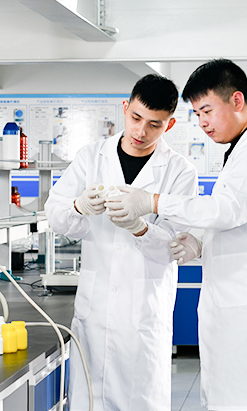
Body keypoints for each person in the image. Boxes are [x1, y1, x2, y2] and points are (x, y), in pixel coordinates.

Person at [106, 59, 247, 411]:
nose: (203, 123)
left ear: (237, 100)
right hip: (234, 309)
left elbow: (228, 209)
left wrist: (153, 201)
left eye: (207, 111)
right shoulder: (242, 150)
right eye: (197, 114)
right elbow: (237, 220)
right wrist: (200, 243)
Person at [44, 74, 198, 411]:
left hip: (142, 316)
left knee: (140, 401)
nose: (141, 131)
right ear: (125, 108)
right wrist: (78, 206)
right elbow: (54, 216)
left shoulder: (180, 172)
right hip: (95, 313)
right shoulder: (91, 157)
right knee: (88, 401)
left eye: (155, 125)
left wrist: (140, 228)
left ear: (170, 125)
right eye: (136, 118)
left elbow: (174, 246)